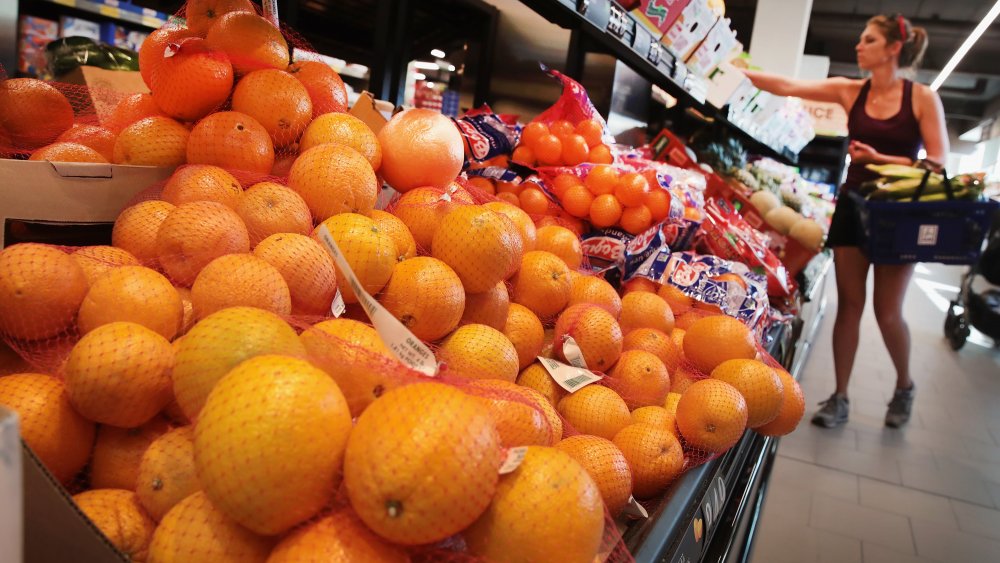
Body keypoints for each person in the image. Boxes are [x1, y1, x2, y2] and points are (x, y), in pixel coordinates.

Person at [743, 14, 948, 428]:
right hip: (853, 207)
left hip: (897, 214)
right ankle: (839, 397)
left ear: (893, 48)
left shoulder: (923, 98)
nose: (858, 45)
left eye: (868, 39)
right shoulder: (851, 90)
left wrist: (879, 160)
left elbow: (939, 163)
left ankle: (904, 385)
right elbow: (788, 86)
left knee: (887, 312)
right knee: (849, 307)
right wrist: (735, 69)